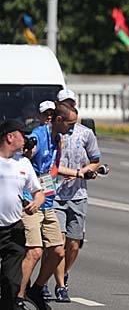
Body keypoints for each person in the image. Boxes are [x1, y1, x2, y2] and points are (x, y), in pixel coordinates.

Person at [18, 101, 86, 309]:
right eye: (70, 124)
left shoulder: (59, 139)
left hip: (48, 201)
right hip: (30, 202)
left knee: (58, 251)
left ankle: (36, 289)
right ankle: (17, 297)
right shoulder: (39, 135)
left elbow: (53, 168)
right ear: (58, 120)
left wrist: (68, 176)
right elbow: (25, 154)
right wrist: (28, 149)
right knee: (35, 252)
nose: (72, 129)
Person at [47, 89, 101, 302]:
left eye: (72, 103)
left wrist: (89, 170)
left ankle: (63, 271)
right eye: (65, 104)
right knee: (58, 244)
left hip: (78, 195)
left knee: (74, 244)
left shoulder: (84, 133)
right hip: (55, 195)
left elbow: (95, 159)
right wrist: (77, 172)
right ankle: (60, 286)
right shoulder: (51, 133)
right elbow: (51, 165)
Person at [0, 120, 44, 310]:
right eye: (22, 135)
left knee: (11, 281)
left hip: (13, 229)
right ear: (10, 137)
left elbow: (38, 191)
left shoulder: (24, 163)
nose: (25, 139)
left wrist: (36, 203)